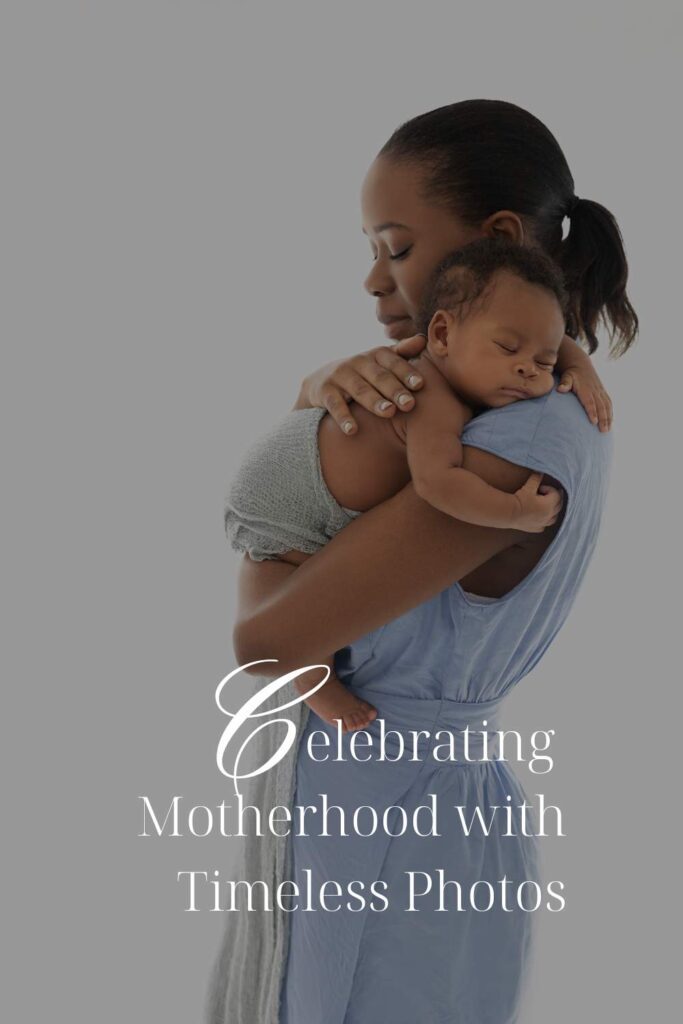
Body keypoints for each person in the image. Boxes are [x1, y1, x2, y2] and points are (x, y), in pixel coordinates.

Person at [205, 99, 637, 1024]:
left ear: (496, 238)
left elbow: (268, 641)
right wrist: (316, 392)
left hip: (373, 805)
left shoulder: (512, 444)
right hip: (441, 800)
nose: (372, 279)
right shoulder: (526, 398)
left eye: (396, 246)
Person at [224, 239, 568, 732]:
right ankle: (318, 687)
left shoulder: (462, 381)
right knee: (288, 601)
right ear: (443, 334)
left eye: (545, 363)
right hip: (288, 496)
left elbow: (533, 329)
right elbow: (438, 484)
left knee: (285, 589)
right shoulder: (430, 396)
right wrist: (515, 513)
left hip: (294, 469)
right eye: (509, 348)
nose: (526, 369)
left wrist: (575, 367)